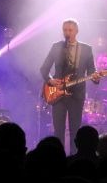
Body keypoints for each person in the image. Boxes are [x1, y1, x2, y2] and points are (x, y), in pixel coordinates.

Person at [40, 19, 101, 152]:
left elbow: (92, 71)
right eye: (65, 30)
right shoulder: (56, 47)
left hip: (77, 95)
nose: (67, 33)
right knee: (58, 131)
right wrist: (50, 80)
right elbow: (44, 69)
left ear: (76, 31)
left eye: (70, 30)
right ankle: (58, 157)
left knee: (75, 131)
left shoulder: (86, 49)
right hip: (57, 94)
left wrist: (96, 78)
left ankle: (74, 157)